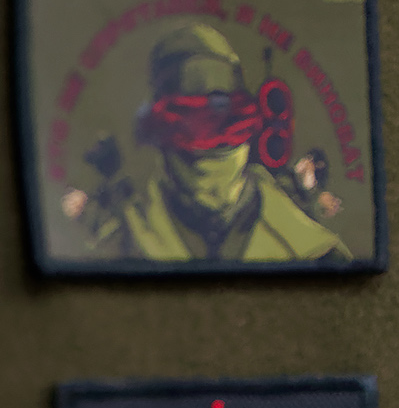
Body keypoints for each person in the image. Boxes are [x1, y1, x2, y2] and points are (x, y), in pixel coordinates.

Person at [66, 24, 350, 263]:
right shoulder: (120, 242)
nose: (206, 155)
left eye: (222, 139)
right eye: (190, 142)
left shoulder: (317, 253)